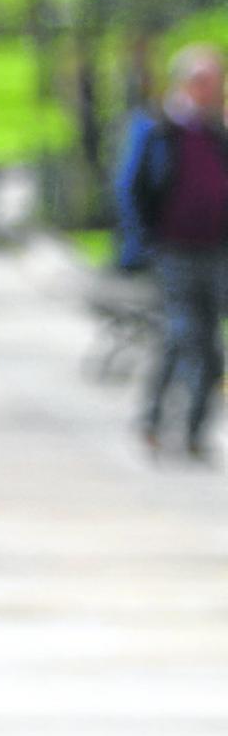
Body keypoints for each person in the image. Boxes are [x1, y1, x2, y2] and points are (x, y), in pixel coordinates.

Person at [118, 43, 228, 461]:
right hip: (171, 250)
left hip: (213, 250)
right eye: (204, 82)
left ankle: (194, 431)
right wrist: (140, 245)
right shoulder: (159, 129)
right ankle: (155, 422)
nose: (210, 90)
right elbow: (132, 187)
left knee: (208, 343)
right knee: (181, 335)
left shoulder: (217, 132)